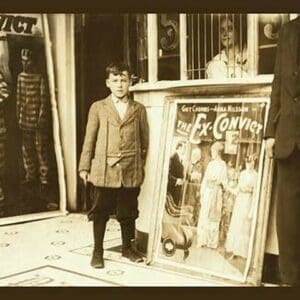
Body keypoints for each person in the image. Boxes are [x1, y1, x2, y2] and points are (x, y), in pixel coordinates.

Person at [78, 62, 149, 269]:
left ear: (130, 82)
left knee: (128, 211)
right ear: (108, 83)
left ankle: (128, 248)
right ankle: (97, 251)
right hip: (103, 169)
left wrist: (138, 165)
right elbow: (89, 139)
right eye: (115, 80)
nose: (120, 85)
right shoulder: (98, 108)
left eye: (123, 80)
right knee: (100, 211)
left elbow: (145, 143)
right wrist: (85, 166)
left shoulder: (139, 110)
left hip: (129, 169)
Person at [265, 16, 300, 286]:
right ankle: (290, 280)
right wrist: (269, 133)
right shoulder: (288, 31)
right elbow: (278, 83)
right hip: (288, 138)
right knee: (288, 215)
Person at [16, 48, 50, 198]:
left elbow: (43, 101)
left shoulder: (39, 78)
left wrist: (41, 119)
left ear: (33, 61)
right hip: (25, 121)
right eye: (23, 61)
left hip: (37, 123)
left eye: (27, 61)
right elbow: (19, 99)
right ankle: (30, 176)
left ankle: (44, 179)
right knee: (27, 150)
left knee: (41, 150)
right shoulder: (21, 77)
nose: (25, 64)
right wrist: (19, 116)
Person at [225, 155, 258, 260]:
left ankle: (243, 252)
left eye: (251, 162)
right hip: (240, 200)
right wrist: (229, 188)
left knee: (244, 226)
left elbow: (255, 194)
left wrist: (252, 210)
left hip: (248, 201)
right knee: (237, 224)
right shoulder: (242, 174)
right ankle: (234, 250)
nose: (249, 165)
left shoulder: (256, 176)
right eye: (248, 162)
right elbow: (238, 189)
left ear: (254, 163)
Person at [196, 141, 227, 249]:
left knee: (214, 217)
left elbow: (224, 181)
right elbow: (205, 179)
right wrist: (203, 192)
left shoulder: (223, 165)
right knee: (205, 215)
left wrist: (219, 183)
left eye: (213, 151)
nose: (212, 153)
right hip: (209, 192)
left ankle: (212, 241)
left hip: (216, 193)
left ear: (217, 152)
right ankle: (202, 240)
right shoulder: (210, 164)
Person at [167, 141, 186, 207]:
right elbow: (167, 174)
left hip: (176, 189)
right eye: (184, 148)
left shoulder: (179, 158)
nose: (185, 150)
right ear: (179, 148)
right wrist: (176, 180)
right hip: (172, 189)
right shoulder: (172, 158)